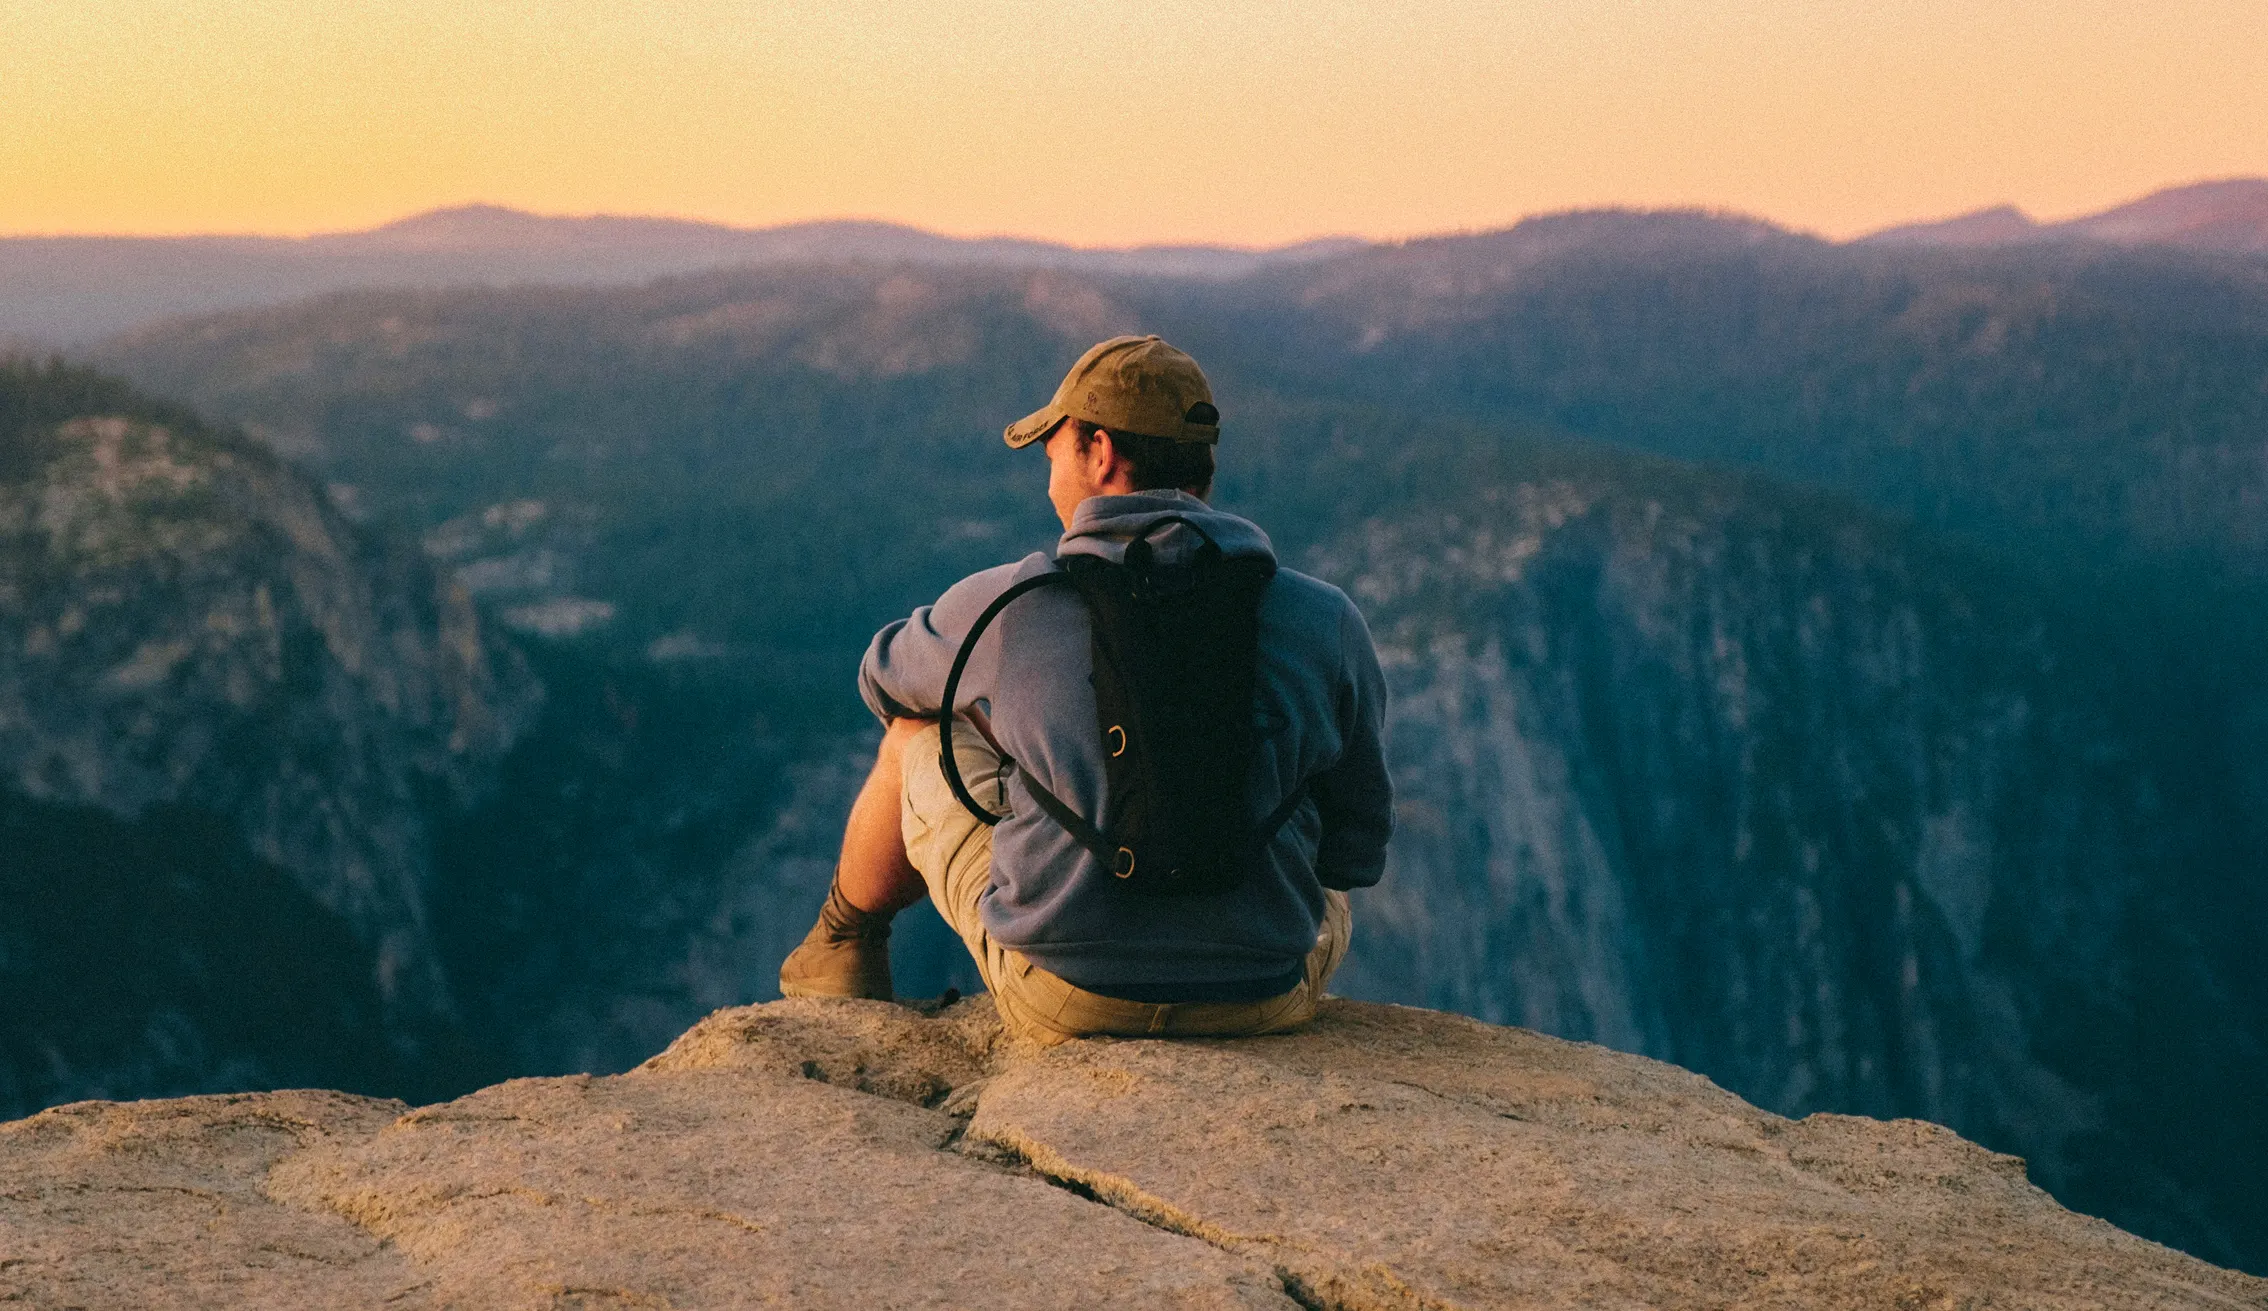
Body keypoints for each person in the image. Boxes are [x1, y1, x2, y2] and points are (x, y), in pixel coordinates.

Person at [777, 334, 1392, 1044]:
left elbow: (882, 677)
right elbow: (1354, 854)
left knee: (917, 733)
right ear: (1205, 467)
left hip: (1065, 999)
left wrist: (1025, 730)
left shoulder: (1009, 607)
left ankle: (842, 947)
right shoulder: (1326, 618)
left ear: (1099, 453)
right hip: (1260, 998)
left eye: (1054, 452)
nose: (1049, 478)